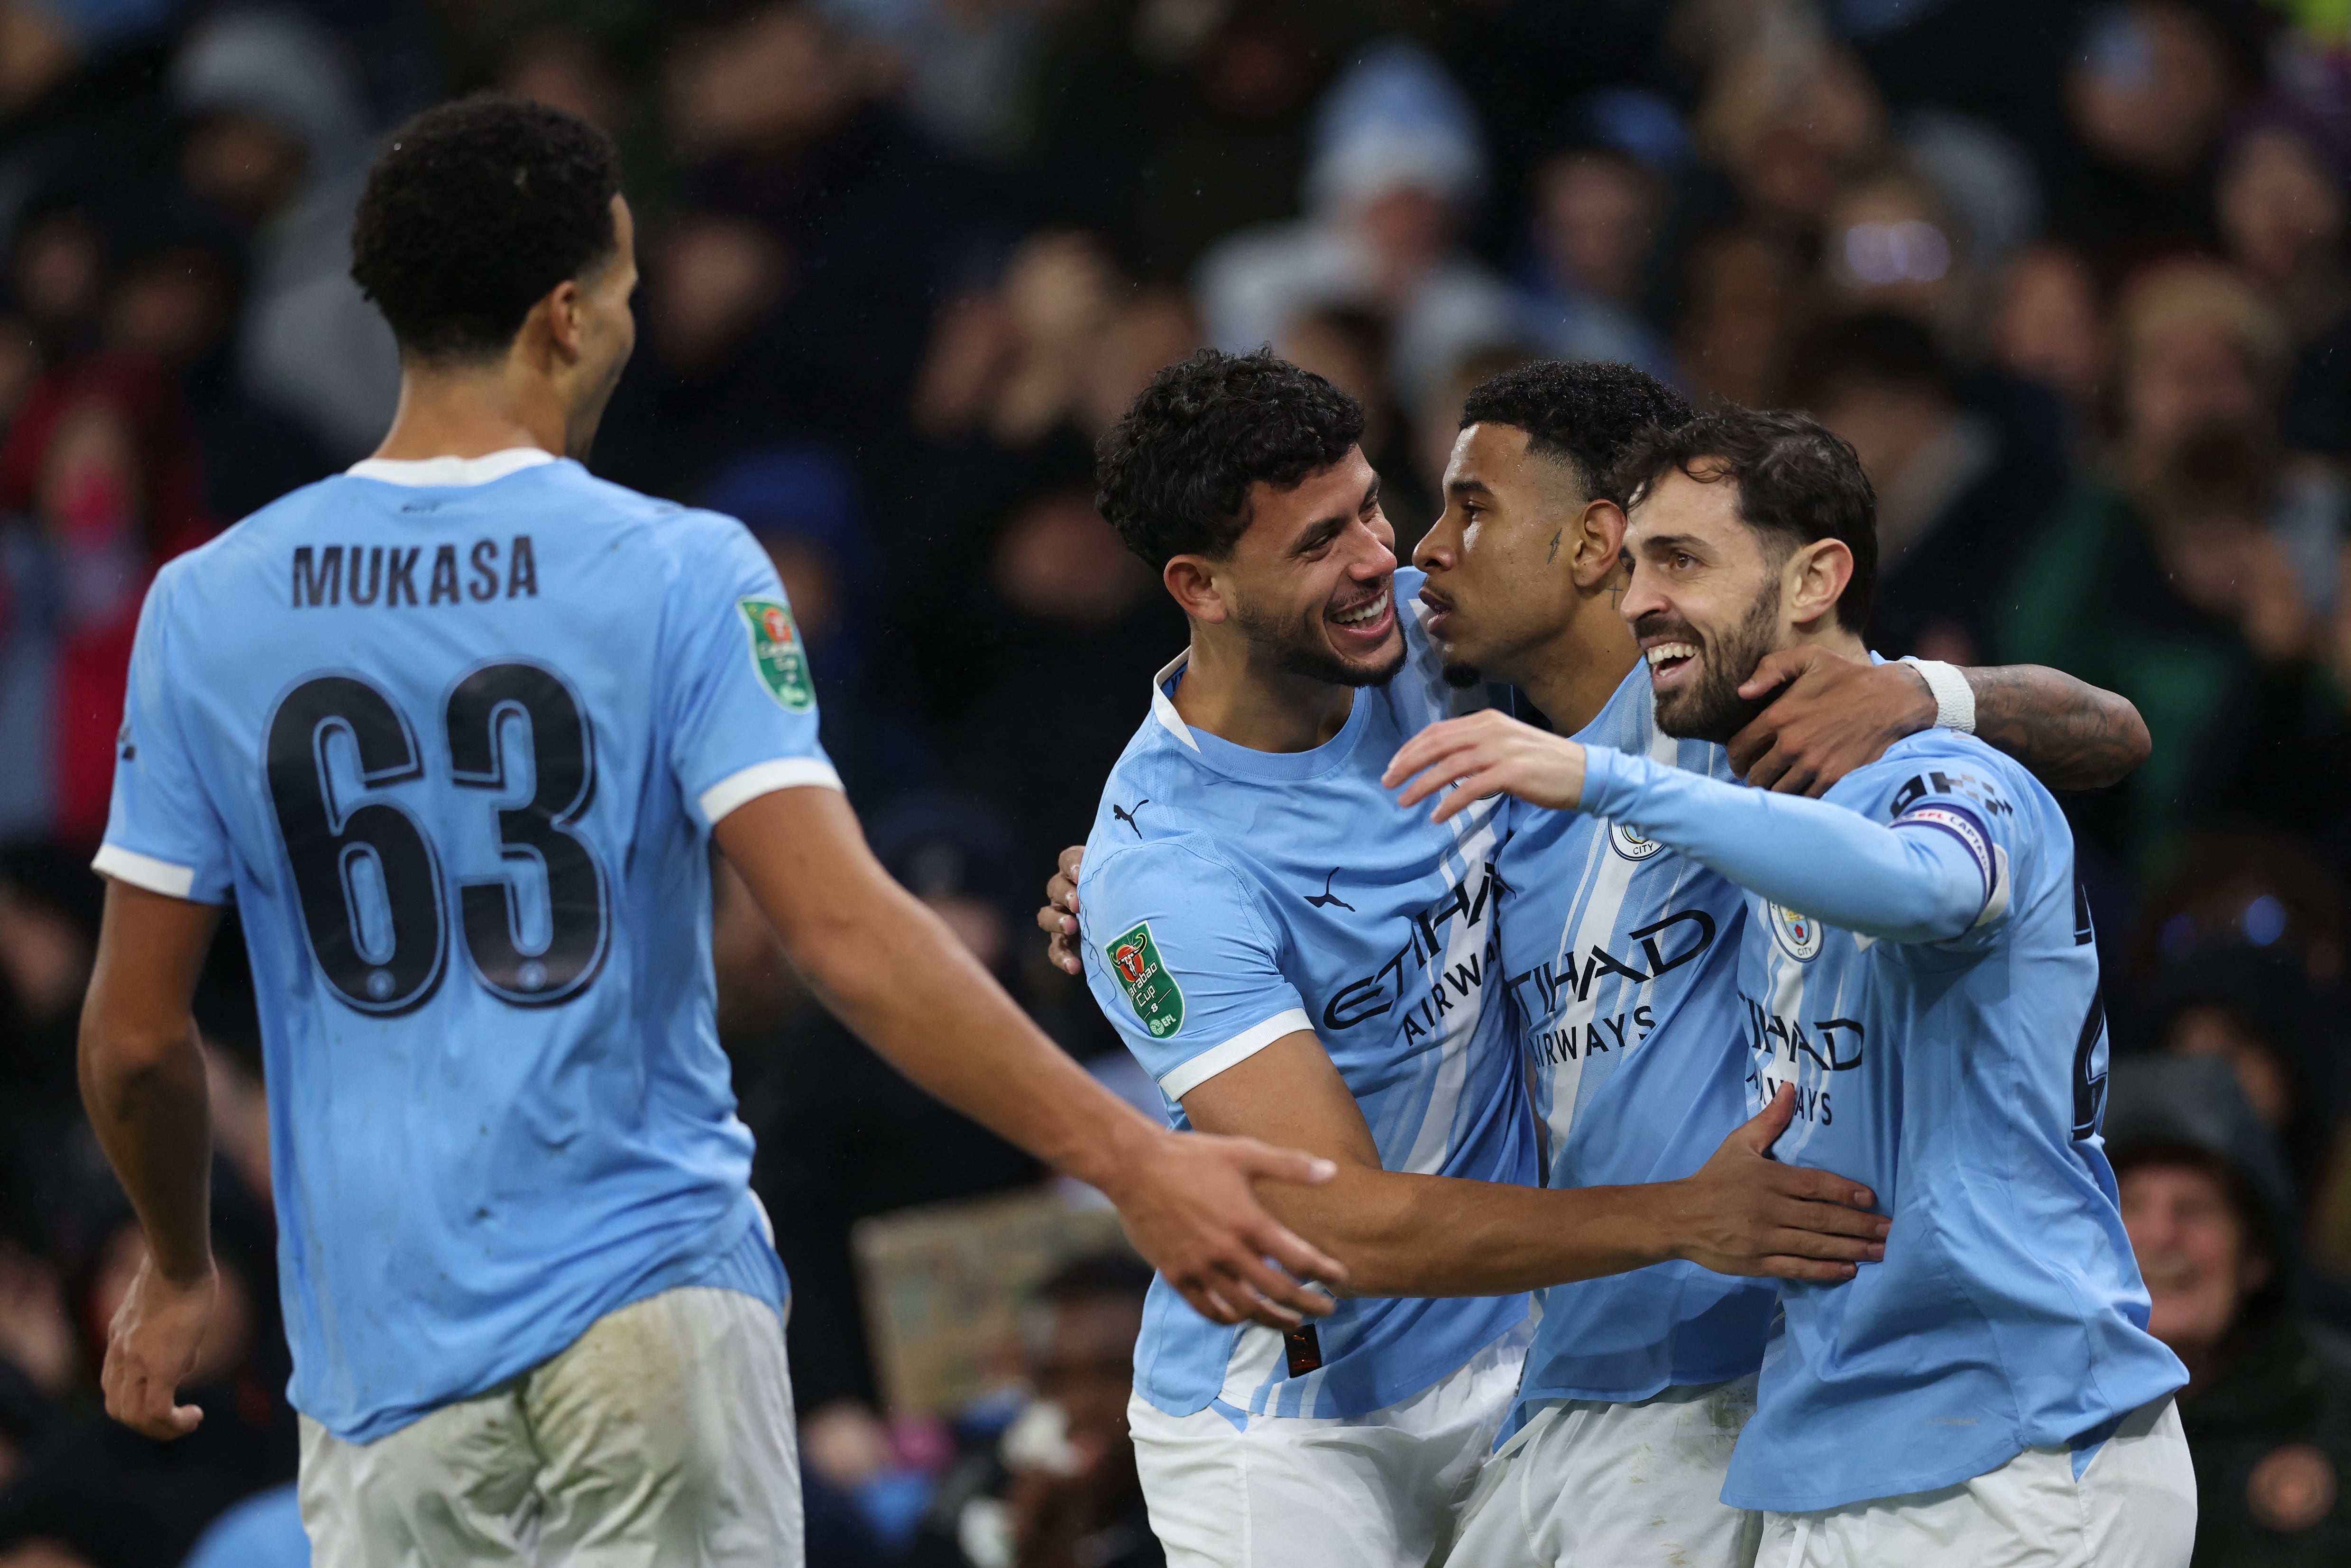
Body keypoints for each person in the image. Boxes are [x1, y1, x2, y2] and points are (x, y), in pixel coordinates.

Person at [73, 96, 1351, 1568]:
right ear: (564, 315)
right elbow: (845, 931)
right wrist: (1132, 1160)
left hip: (380, 1352)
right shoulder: (679, 569)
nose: (628, 325)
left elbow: (134, 1043)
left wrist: (176, 1261)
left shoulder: (207, 604)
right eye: (621, 291)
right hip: (649, 1299)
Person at [1067, 349, 1895, 1568]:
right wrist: (1679, 1217)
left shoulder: (1426, 635)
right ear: (1201, 584)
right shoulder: (1166, 874)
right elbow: (1337, 1222)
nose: (1377, 561)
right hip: (1297, 1428)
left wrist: (1931, 697)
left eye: (1367, 507)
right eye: (1314, 544)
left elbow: (1705, 630)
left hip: (1516, 1357)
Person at [1389, 406, 2195, 1564]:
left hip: (2016, 1444)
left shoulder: (1944, 775)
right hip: (1835, 1445)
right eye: (1635, 566)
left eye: (1677, 561)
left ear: (1818, 575)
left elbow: (1932, 881)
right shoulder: (1761, 796)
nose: (1635, 601)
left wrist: (1611, 782)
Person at [2107, 1055, 2351, 1563]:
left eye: (2193, 1208)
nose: (2159, 1236)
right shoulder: (2023, 1415)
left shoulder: (2336, 1405)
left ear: (2255, 1255)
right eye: (2129, 1206)